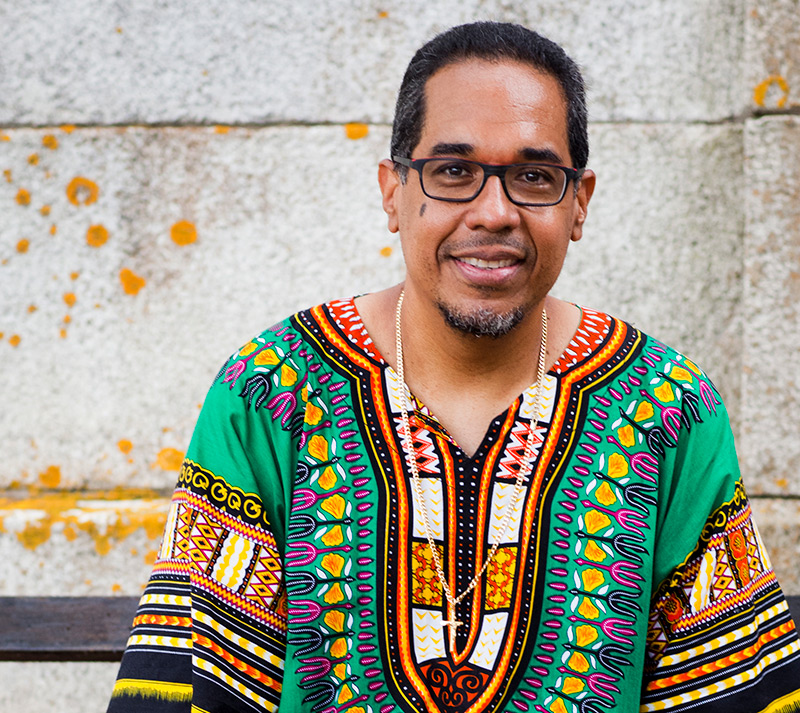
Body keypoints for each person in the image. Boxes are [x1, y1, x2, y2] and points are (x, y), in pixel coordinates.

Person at [107, 21, 800, 713]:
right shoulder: (273, 390)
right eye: (453, 172)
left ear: (579, 203)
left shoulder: (665, 407)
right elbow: (189, 687)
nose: (493, 213)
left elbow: (731, 693)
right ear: (393, 191)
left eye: (534, 177)